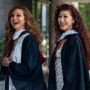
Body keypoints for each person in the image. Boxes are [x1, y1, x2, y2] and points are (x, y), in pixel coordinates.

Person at [1, 5, 47, 90]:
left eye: (18, 15)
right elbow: (7, 70)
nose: (14, 18)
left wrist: (10, 64)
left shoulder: (29, 40)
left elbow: (29, 69)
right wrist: (4, 64)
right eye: (12, 15)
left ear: (26, 19)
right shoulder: (12, 40)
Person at [48, 4, 90, 90]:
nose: (61, 20)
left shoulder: (73, 41)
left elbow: (72, 73)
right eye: (59, 16)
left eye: (65, 16)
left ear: (73, 19)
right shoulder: (64, 39)